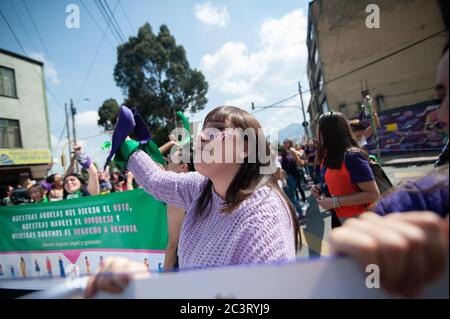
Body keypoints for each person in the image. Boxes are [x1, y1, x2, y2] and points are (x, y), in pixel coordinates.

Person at [84, 105, 300, 297]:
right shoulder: (201, 187)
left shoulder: (263, 217)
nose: (202, 137)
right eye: (203, 130)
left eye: (215, 131)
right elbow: (156, 180)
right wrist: (126, 145)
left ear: (246, 148)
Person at [328, 44, 450, 298]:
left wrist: (370, 109)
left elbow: (375, 125)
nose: (442, 114)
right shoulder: (427, 197)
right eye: (441, 98)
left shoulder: (356, 153)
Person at [311, 112, 380, 224]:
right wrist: (319, 187)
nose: (317, 135)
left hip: (362, 221)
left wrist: (335, 202)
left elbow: (373, 194)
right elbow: (335, 182)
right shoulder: (327, 155)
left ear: (328, 132)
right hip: (341, 218)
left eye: (319, 130)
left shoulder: (352, 157)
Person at [163, 147, 195, 272]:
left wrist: (164, 280)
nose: (167, 163)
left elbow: (172, 246)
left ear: (183, 168)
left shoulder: (178, 196)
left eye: (170, 159)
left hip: (184, 266)